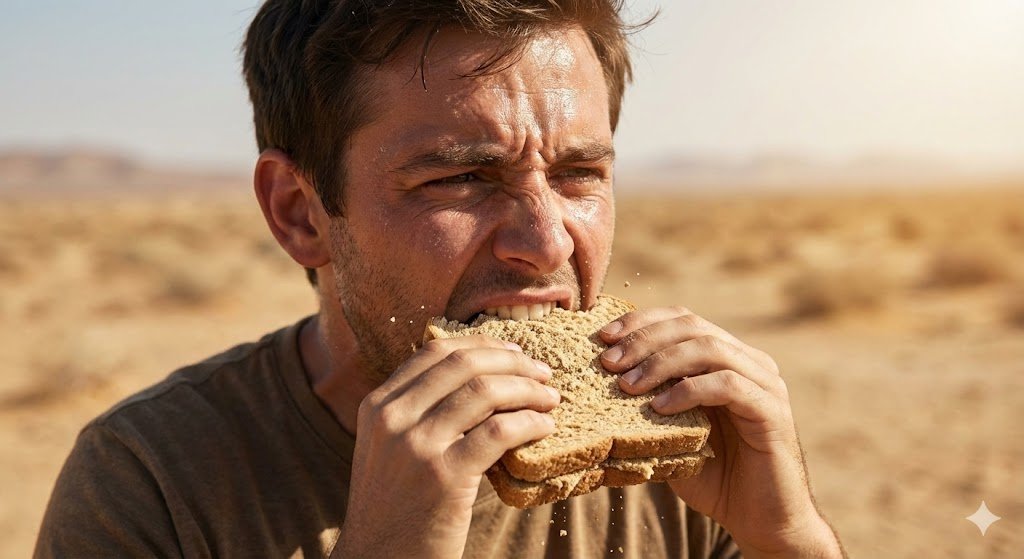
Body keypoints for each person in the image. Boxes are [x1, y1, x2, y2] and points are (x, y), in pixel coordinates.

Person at [36, 1, 845, 557]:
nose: (544, 239)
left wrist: (789, 534)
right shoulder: (152, 478)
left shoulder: (676, 456)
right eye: (459, 179)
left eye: (579, 173)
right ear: (300, 213)